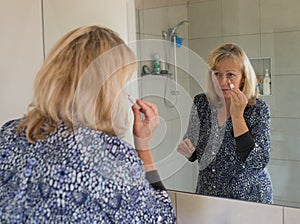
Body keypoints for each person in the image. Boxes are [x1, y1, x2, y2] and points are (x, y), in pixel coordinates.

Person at [0, 25, 176, 223]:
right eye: (121, 84)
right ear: (105, 89)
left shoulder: (9, 133)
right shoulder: (107, 155)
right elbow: (162, 219)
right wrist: (143, 148)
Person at [177, 43, 273, 204]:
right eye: (217, 74)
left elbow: (258, 161)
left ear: (243, 78)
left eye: (230, 75)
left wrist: (237, 117)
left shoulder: (258, 109)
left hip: (249, 198)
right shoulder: (201, 103)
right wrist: (189, 152)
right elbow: (194, 147)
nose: (222, 81)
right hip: (209, 193)